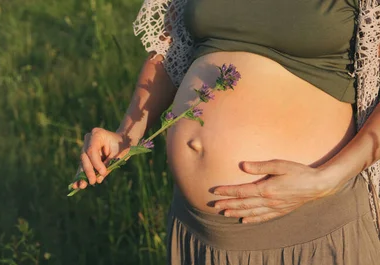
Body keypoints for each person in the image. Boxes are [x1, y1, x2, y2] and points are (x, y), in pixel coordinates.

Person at [70, 0, 380, 263]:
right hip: (198, 234)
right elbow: (172, 47)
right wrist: (127, 133)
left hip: (307, 233)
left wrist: (326, 179)